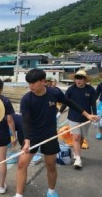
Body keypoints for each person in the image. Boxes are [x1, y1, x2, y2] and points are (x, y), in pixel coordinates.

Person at [14, 69, 98, 197]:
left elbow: (69, 102)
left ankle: (51, 191)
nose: (30, 86)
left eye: (33, 83)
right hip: (32, 135)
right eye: (28, 83)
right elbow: (25, 121)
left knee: (51, 165)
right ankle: (19, 195)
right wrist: (26, 141)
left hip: (49, 134)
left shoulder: (54, 92)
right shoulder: (27, 99)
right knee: (21, 164)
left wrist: (87, 115)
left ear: (43, 81)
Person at [59, 70, 97, 168]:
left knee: (82, 137)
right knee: (76, 137)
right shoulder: (71, 89)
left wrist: (95, 115)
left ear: (85, 80)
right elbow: (65, 101)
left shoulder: (91, 90)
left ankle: (76, 153)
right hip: (73, 117)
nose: (78, 81)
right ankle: (78, 159)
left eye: (81, 79)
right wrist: (59, 112)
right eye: (77, 78)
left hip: (86, 118)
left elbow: (93, 104)